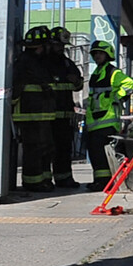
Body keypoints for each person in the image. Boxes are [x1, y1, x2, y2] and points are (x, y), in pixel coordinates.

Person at [84, 39, 133, 191]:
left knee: (101, 154)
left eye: (100, 53)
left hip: (107, 121)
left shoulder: (113, 72)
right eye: (95, 54)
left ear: (108, 55)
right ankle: (99, 181)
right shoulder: (97, 72)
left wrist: (116, 97)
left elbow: (130, 84)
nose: (97, 56)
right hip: (95, 122)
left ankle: (104, 182)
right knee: (95, 153)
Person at [12, 26, 57, 193]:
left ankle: (44, 179)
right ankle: (32, 182)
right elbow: (18, 86)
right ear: (40, 47)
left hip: (41, 114)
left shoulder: (39, 63)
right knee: (34, 149)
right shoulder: (25, 62)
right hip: (29, 114)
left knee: (45, 147)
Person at [47, 26, 84, 189]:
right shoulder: (43, 63)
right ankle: (45, 180)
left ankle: (64, 178)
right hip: (46, 115)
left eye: (62, 46)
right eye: (57, 45)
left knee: (64, 148)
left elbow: (79, 84)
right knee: (46, 148)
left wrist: (75, 80)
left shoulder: (67, 63)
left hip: (65, 115)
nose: (60, 49)